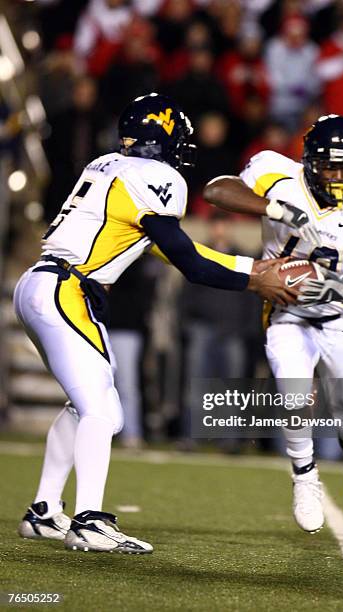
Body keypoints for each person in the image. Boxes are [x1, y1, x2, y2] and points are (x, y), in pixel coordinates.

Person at [14, 93, 294, 554]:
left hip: (45, 283)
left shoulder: (108, 166)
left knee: (92, 407)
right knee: (101, 412)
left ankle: (44, 511)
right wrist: (254, 284)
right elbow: (186, 258)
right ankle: (88, 521)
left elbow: (165, 247)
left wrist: (248, 269)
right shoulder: (156, 177)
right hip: (66, 289)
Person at [204, 114, 343, 551]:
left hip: (340, 310)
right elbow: (216, 190)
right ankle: (304, 474)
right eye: (330, 167)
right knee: (295, 387)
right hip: (286, 307)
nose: (339, 178)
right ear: (310, 162)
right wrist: (276, 209)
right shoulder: (279, 177)